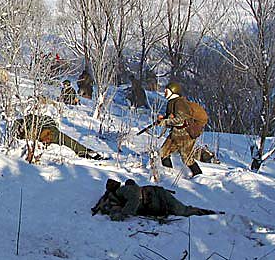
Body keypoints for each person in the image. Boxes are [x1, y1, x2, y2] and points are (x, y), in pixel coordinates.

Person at [92, 178, 223, 221]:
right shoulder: (120, 194)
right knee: (183, 211)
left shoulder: (122, 191)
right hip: (158, 203)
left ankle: (214, 214)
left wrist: (125, 213)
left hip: (160, 197)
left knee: (183, 211)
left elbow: (136, 196)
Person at [157, 81, 203, 177]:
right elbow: (172, 117)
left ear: (173, 91)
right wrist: (164, 119)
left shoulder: (179, 103)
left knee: (186, 158)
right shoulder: (171, 102)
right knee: (163, 153)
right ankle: (169, 175)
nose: (165, 91)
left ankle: (199, 177)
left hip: (185, 134)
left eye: (167, 90)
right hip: (175, 133)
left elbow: (180, 119)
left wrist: (166, 121)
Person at [15, 114, 103, 160]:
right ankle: (85, 152)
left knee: (68, 141)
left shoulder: (30, 121)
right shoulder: (24, 128)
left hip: (50, 130)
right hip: (49, 131)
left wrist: (48, 133)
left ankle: (85, 151)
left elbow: (48, 121)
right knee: (68, 141)